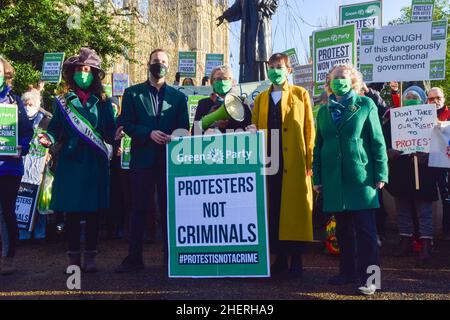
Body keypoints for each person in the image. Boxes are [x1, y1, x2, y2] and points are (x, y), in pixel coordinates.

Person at [38, 48, 118, 273]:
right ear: (72, 73)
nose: (83, 74)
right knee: (72, 214)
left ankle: (90, 256)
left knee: (92, 213)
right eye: (79, 70)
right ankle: (73, 259)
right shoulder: (62, 102)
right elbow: (55, 129)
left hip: (94, 162)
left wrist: (117, 135)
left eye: (87, 70)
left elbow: (109, 131)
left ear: (94, 74)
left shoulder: (103, 101)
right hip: (71, 163)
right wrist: (48, 138)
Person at [313, 64, 388, 295]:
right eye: (335, 78)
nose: (339, 81)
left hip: (361, 178)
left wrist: (382, 173)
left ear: (353, 81)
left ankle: (372, 279)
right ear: (329, 83)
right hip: (334, 180)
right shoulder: (324, 111)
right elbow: (319, 146)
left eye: (344, 78)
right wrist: (317, 176)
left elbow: (377, 141)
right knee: (343, 231)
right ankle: (347, 272)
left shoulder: (365, 105)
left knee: (367, 232)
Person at [116, 48, 189, 273]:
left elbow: (184, 128)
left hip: (168, 160)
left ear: (169, 66)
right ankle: (134, 258)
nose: (160, 64)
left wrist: (173, 136)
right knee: (138, 209)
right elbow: (126, 123)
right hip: (142, 159)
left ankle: (170, 259)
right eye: (156, 61)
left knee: (169, 210)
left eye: (164, 61)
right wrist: (148, 133)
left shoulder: (178, 97)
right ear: (149, 63)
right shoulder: (132, 93)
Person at [249, 53, 315, 279]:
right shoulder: (260, 99)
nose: (275, 70)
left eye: (279, 66)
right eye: (272, 67)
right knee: (274, 209)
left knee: (295, 211)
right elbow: (255, 128)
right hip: (269, 161)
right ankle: (279, 258)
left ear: (289, 70)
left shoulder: (300, 94)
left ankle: (296, 259)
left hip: (294, 161)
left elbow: (309, 129)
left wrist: (310, 161)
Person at [383, 88, 438, 264]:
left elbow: (441, 144)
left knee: (424, 211)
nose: (412, 100)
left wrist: (429, 155)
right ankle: (405, 240)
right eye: (409, 97)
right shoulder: (393, 120)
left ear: (422, 99)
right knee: (403, 209)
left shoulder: (431, 120)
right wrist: (388, 151)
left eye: (415, 97)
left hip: (423, 172)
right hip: (401, 171)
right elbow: (381, 141)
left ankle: (426, 243)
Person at [0, 56, 34, 275]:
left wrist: (21, 146)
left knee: (6, 211)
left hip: (9, 167)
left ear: (5, 73)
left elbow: (27, 132)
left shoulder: (13, 101)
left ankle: (8, 256)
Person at [19, 89, 53, 241]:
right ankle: (23, 231)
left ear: (37, 105)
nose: (27, 106)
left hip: (41, 167)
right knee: (23, 198)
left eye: (30, 104)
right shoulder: (19, 119)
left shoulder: (47, 120)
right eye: (25, 104)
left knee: (39, 201)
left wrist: (51, 152)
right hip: (23, 165)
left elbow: (56, 141)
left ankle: (40, 232)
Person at [193, 64, 251, 134]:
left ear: (232, 82)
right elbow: (195, 132)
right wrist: (211, 124)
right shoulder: (203, 104)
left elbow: (248, 127)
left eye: (225, 79)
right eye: (218, 79)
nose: (222, 82)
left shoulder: (242, 101)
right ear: (212, 82)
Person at [427, 87, 450, 240]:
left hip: (445, 164)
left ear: (444, 98)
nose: (435, 101)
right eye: (431, 98)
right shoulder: (421, 114)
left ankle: (447, 230)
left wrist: (440, 125)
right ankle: (425, 234)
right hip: (425, 163)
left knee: (447, 197)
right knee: (425, 198)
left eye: (438, 98)